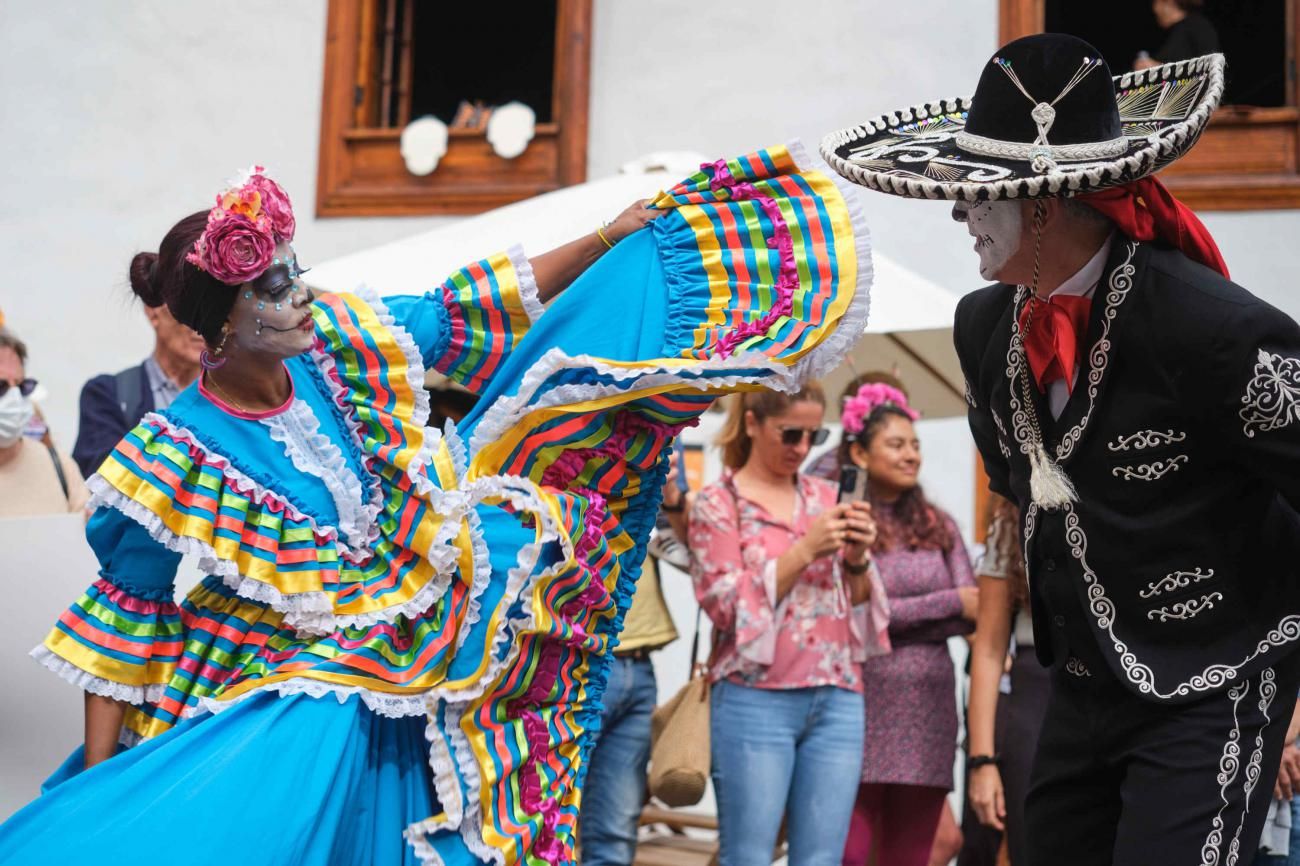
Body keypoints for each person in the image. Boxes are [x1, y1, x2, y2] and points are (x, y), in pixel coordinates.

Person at [0, 147, 870, 866]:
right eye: (270, 287)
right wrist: (102, 780)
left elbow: (468, 305)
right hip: (270, 699)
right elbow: (126, 615)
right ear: (217, 325)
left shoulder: (339, 340)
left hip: (405, 658)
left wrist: (608, 236)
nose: (297, 292)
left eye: (294, 272)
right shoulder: (172, 451)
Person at [824, 31, 1300, 866]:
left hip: (1214, 680)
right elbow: (1019, 489)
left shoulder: (1208, 326)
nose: (958, 211)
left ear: (1041, 207)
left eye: (980, 195)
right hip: (1080, 694)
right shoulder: (981, 329)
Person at [689, 385, 876, 866]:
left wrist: (857, 561)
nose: (802, 448)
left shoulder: (827, 495)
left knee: (820, 859)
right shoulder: (717, 503)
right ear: (751, 422)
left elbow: (857, 612)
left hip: (837, 693)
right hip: (755, 697)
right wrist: (803, 551)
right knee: (748, 856)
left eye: (815, 435)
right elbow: (725, 607)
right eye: (790, 433)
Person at [829, 382, 977, 866]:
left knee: (911, 855)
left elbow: (973, 608)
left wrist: (892, 614)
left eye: (915, 444)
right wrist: (945, 602)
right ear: (861, 453)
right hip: (860, 700)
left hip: (929, 706)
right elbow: (852, 612)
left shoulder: (940, 524)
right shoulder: (844, 520)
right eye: (896, 444)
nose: (911, 455)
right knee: (850, 852)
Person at [577, 458, 686, 866]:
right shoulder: (579, 443)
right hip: (578, 665)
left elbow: (693, 561)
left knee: (616, 830)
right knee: (547, 819)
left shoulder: (654, 463)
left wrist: (672, 497)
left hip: (638, 666)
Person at [964, 494, 1047, 866]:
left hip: (1122, 683)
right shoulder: (1011, 514)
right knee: (1029, 841)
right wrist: (982, 762)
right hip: (1037, 685)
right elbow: (988, 649)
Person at [71, 295, 205, 478]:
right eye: (190, 310)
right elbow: (104, 480)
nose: (202, 324)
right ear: (153, 312)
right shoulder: (108, 394)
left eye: (215, 312)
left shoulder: (235, 402)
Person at [0, 327, 89, 518]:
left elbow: (90, 540)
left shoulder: (59, 465)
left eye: (21, 386)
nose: (14, 397)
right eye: (1, 386)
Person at [1135, 0, 1220, 70]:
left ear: (1169, 2)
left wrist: (1160, 70)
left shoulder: (1198, 26)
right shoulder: (1164, 35)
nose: (1155, 9)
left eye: (1156, 2)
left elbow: (1210, 67)